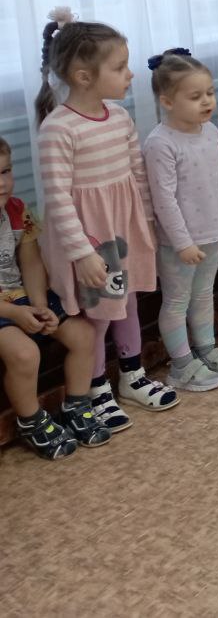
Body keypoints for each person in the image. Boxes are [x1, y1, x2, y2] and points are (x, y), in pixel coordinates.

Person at [35, 10, 173, 430]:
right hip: (90, 242)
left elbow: (137, 175)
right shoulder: (58, 129)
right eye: (119, 67)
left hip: (124, 232)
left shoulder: (120, 116)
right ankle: (96, 389)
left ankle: (132, 375)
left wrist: (146, 224)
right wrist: (83, 254)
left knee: (126, 301)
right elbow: (57, 200)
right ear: (83, 77)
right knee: (97, 314)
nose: (129, 75)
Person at [0, 135, 111, 458]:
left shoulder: (17, 210)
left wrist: (38, 305)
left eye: (5, 171)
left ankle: (76, 406)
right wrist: (14, 313)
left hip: (21, 296)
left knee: (83, 334)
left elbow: (31, 262)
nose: (2, 183)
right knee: (24, 354)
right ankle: (31, 422)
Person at [143, 49, 218, 392]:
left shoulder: (210, 131)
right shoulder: (160, 143)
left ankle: (206, 348)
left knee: (204, 294)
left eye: (209, 93)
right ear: (167, 102)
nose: (207, 101)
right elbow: (163, 199)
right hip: (179, 242)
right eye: (196, 96)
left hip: (211, 231)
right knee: (177, 300)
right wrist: (182, 243)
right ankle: (181, 364)